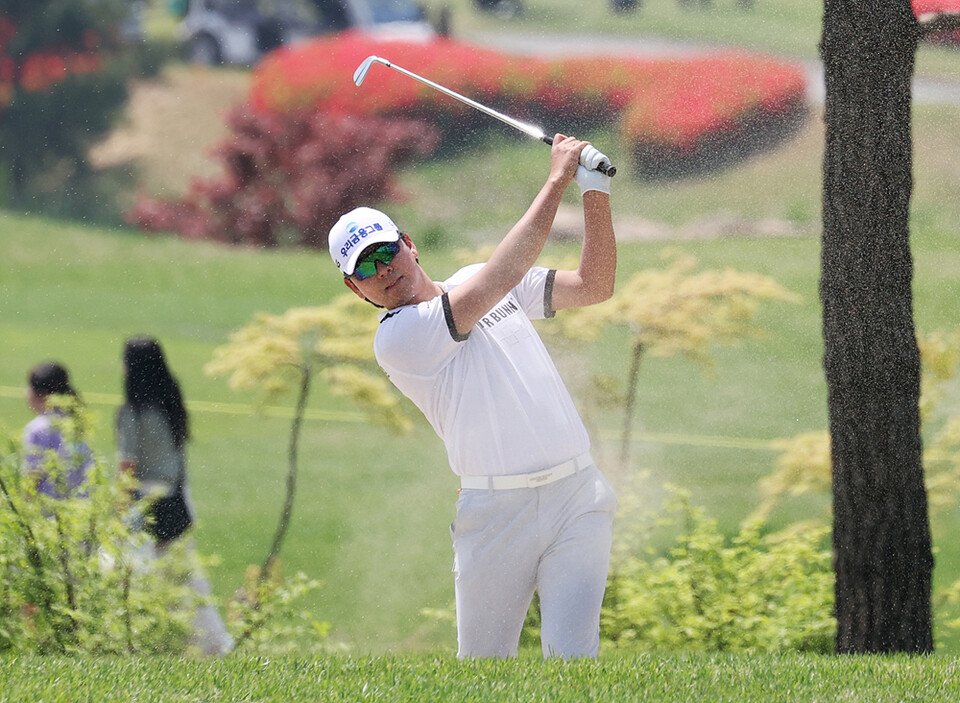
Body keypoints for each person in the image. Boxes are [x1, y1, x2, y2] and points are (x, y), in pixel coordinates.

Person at [327, 135, 618, 659]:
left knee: (575, 661)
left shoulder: (476, 281)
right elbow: (499, 277)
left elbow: (594, 285)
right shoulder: (399, 338)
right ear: (355, 289)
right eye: (365, 269)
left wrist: (593, 191)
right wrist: (557, 180)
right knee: (485, 670)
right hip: (495, 512)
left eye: (387, 252)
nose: (384, 271)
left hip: (578, 495)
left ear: (408, 244)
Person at [116, 335, 233, 656]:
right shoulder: (170, 405)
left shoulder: (133, 413)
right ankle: (212, 643)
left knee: (133, 579)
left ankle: (144, 643)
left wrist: (116, 511)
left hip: (145, 505)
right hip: (179, 500)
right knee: (185, 579)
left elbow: (127, 467)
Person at [22, 361, 93, 498]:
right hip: (80, 509)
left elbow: (33, 476)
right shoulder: (76, 422)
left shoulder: (37, 429)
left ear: (42, 394)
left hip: (48, 513)